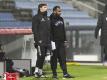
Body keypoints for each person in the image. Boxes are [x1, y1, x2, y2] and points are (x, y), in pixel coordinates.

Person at [50, 6, 74, 79]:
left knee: (63, 58)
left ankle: (65, 74)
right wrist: (51, 42)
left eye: (60, 11)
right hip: (54, 42)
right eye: (59, 11)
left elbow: (63, 30)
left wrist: (65, 40)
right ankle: (54, 75)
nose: (60, 12)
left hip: (61, 42)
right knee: (54, 59)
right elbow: (49, 32)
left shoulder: (61, 19)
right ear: (54, 11)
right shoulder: (50, 19)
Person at [32, 3, 51, 78]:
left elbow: (49, 30)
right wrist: (37, 40)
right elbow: (34, 30)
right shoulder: (36, 17)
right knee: (40, 56)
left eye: (46, 7)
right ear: (40, 8)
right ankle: (36, 71)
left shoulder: (47, 18)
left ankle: (40, 72)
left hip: (47, 41)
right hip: (40, 41)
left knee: (43, 57)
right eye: (45, 7)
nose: (46, 8)